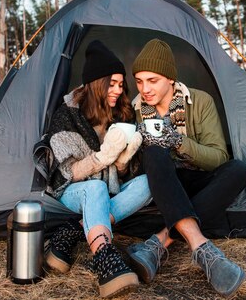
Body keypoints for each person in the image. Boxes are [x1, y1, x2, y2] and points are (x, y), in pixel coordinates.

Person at [125, 39, 246, 297]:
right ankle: (202, 248)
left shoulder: (200, 101)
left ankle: (160, 242)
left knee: (238, 170)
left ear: (170, 79)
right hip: (161, 182)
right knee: (154, 153)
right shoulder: (134, 110)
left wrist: (178, 141)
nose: (144, 89)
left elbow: (218, 156)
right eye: (139, 81)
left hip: (195, 177)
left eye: (152, 80)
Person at [44, 40, 151, 298]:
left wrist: (123, 161)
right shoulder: (68, 114)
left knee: (148, 183)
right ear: (96, 83)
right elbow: (67, 173)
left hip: (108, 190)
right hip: (73, 193)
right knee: (95, 187)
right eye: (111, 84)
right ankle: (104, 258)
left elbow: (124, 174)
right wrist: (104, 157)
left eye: (120, 84)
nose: (117, 90)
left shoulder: (122, 114)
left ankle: (71, 232)